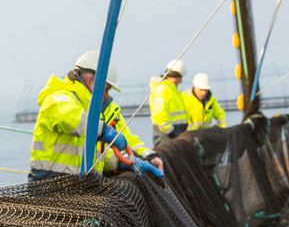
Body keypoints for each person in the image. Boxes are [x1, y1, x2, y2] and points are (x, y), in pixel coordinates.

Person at [29, 50, 161, 182]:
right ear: (90, 79)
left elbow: (96, 153)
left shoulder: (94, 110)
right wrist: (106, 131)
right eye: (106, 89)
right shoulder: (58, 98)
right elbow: (73, 119)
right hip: (48, 184)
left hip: (79, 185)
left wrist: (126, 161)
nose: (107, 96)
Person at [149, 59, 188, 147]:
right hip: (166, 135)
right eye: (180, 78)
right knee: (165, 159)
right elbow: (159, 115)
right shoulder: (163, 89)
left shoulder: (172, 90)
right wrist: (171, 132)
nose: (181, 81)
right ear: (175, 77)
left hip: (176, 133)